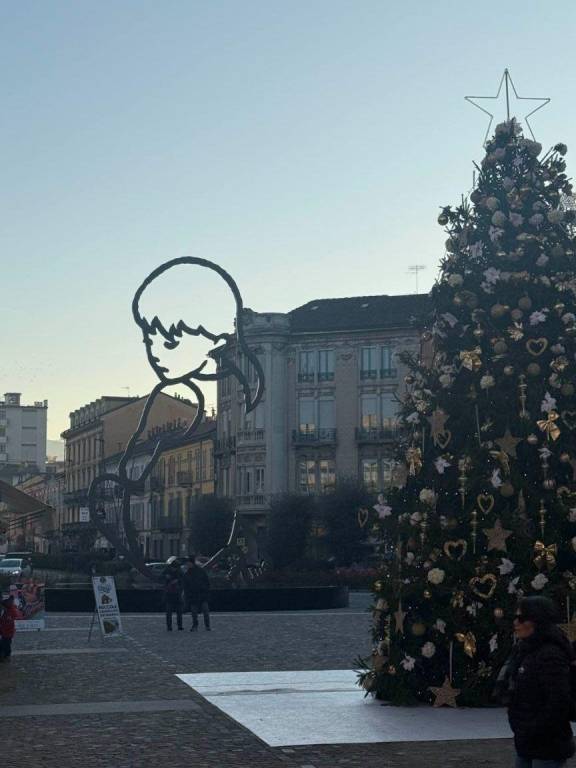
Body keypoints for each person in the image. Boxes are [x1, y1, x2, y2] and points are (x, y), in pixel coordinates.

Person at [495, 595, 575, 767]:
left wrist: (532, 728)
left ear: (537, 620)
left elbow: (558, 701)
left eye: (522, 618)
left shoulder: (550, 654)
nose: (516, 622)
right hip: (527, 741)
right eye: (515, 617)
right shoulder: (524, 650)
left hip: (546, 743)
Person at [182, 555, 211, 631]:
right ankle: (195, 626)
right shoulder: (187, 574)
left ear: (192, 563)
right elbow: (185, 586)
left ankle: (207, 626)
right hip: (193, 596)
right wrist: (187, 596)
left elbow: (207, 582)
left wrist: (205, 590)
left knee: (205, 612)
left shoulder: (200, 571)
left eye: (188, 563)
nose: (187, 564)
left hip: (202, 594)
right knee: (194, 613)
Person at [162, 557, 183, 631]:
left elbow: (183, 580)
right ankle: (169, 627)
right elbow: (161, 578)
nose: (174, 569)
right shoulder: (166, 571)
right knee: (169, 612)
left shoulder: (179, 572)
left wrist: (178, 581)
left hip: (177, 594)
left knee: (179, 612)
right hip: (169, 594)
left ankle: (180, 626)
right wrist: (166, 578)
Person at [0, 595, 18, 661]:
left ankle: (6, 656)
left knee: (6, 644)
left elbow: (9, 622)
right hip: (4, 632)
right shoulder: (5, 611)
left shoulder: (10, 611)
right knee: (4, 643)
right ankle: (4, 656)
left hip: (8, 632)